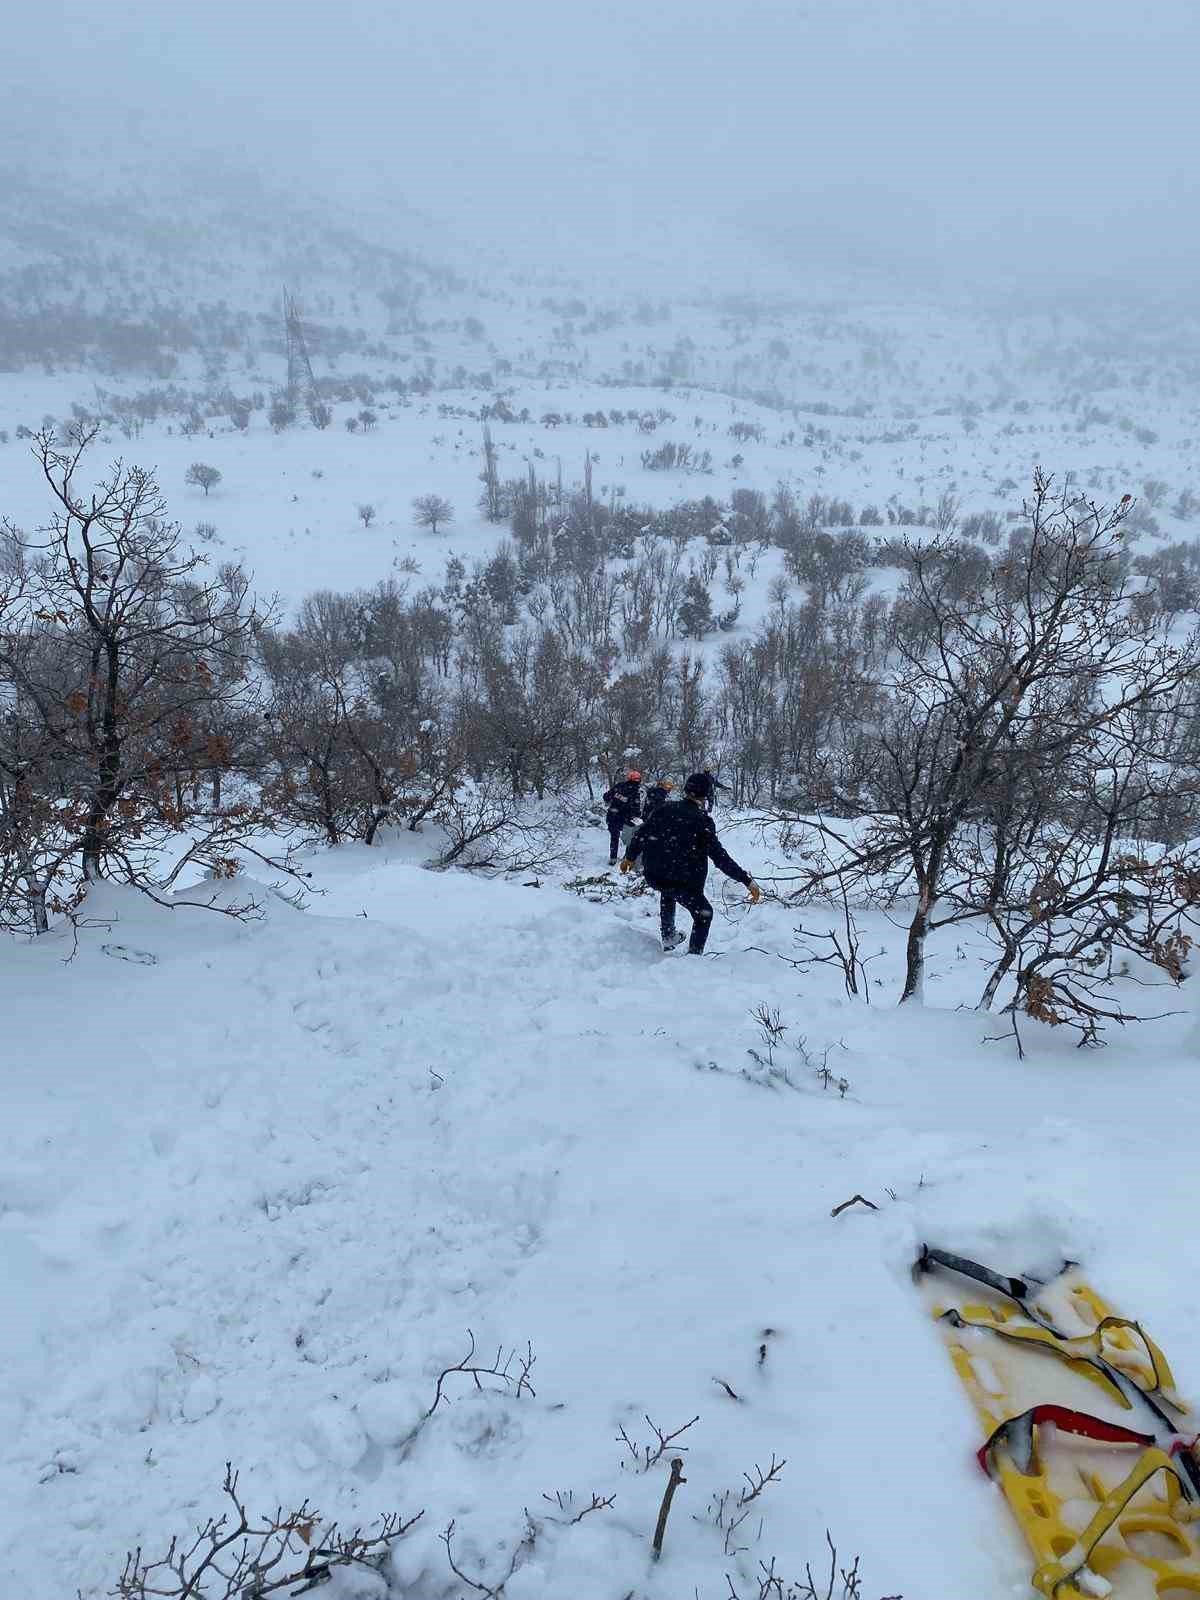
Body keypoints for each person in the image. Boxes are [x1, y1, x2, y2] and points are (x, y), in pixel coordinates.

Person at [621, 771, 760, 953]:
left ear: (686, 790)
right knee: (704, 914)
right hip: (682, 883)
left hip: (655, 875)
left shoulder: (664, 809)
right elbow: (719, 858)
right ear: (705, 796)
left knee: (668, 891)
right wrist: (746, 880)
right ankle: (694, 959)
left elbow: (640, 834)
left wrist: (629, 857)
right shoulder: (703, 822)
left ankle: (669, 935)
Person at [602, 770, 642, 865]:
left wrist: (615, 800)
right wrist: (637, 816)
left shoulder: (619, 786)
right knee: (632, 838)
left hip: (612, 816)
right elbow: (636, 810)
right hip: (625, 819)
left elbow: (606, 796)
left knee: (614, 837)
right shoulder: (635, 792)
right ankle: (628, 858)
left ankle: (613, 858)